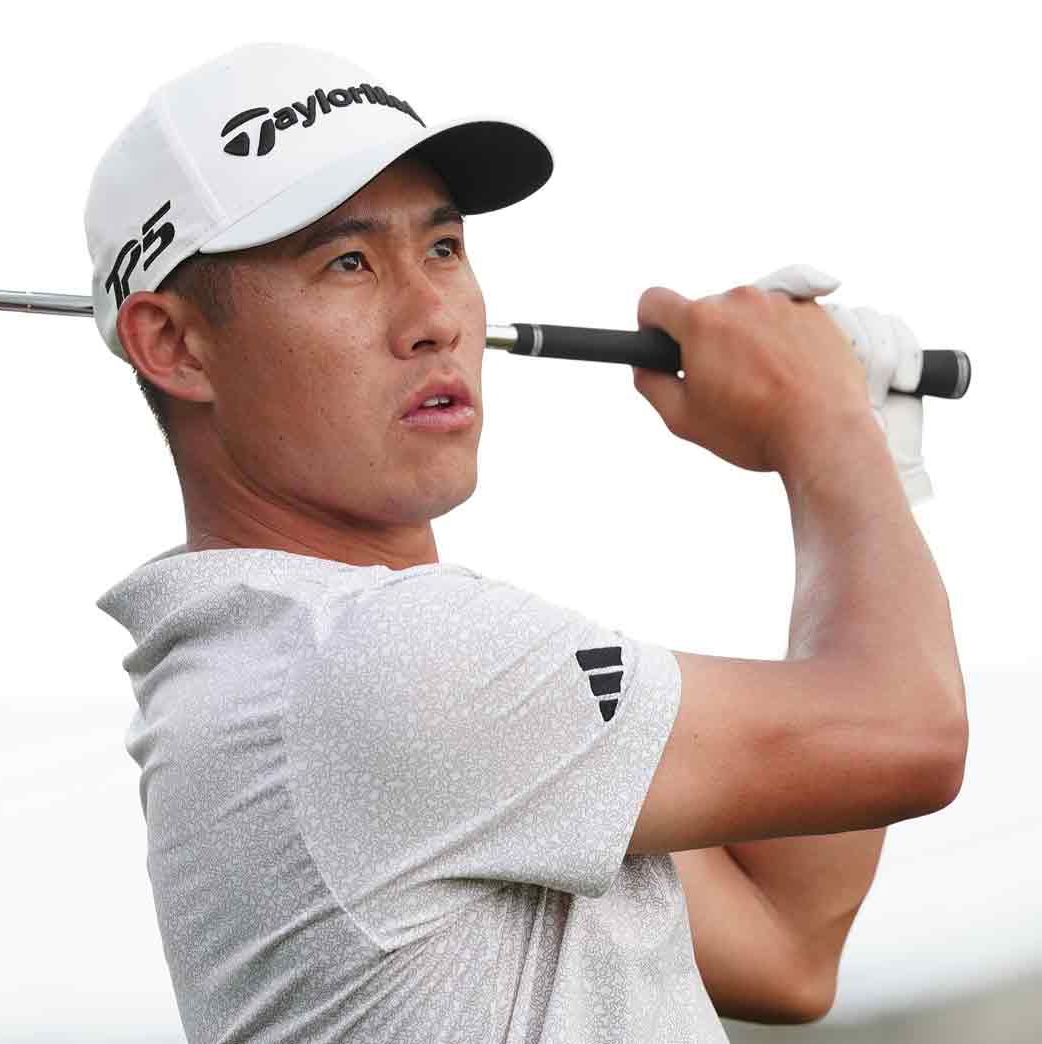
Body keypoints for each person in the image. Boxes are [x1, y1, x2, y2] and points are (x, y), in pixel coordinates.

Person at [87, 42, 967, 1043]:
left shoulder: (293, 677)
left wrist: (861, 462)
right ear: (173, 344)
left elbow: (787, 939)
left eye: (442, 248)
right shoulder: (370, 663)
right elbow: (908, 737)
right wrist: (826, 430)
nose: (432, 319)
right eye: (346, 262)